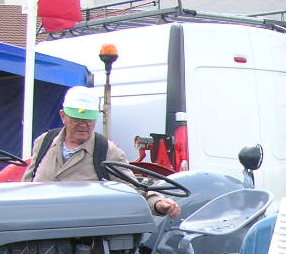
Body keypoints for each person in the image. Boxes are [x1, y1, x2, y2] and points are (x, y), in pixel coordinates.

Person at [23, 86, 180, 217]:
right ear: (63, 116)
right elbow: (24, 186)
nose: (83, 125)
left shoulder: (107, 151)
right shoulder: (44, 142)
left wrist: (158, 203)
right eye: (76, 119)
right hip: (38, 229)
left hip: (80, 237)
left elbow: (134, 190)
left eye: (88, 120)